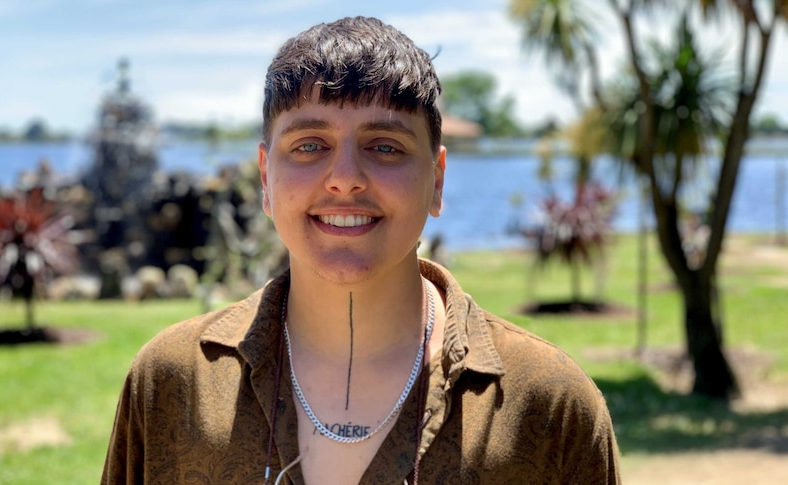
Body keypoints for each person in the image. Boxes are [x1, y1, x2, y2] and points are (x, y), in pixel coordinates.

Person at [101, 16, 621, 485]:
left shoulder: (551, 406)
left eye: (385, 147)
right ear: (265, 178)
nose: (345, 179)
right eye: (309, 146)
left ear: (437, 180)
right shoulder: (170, 383)